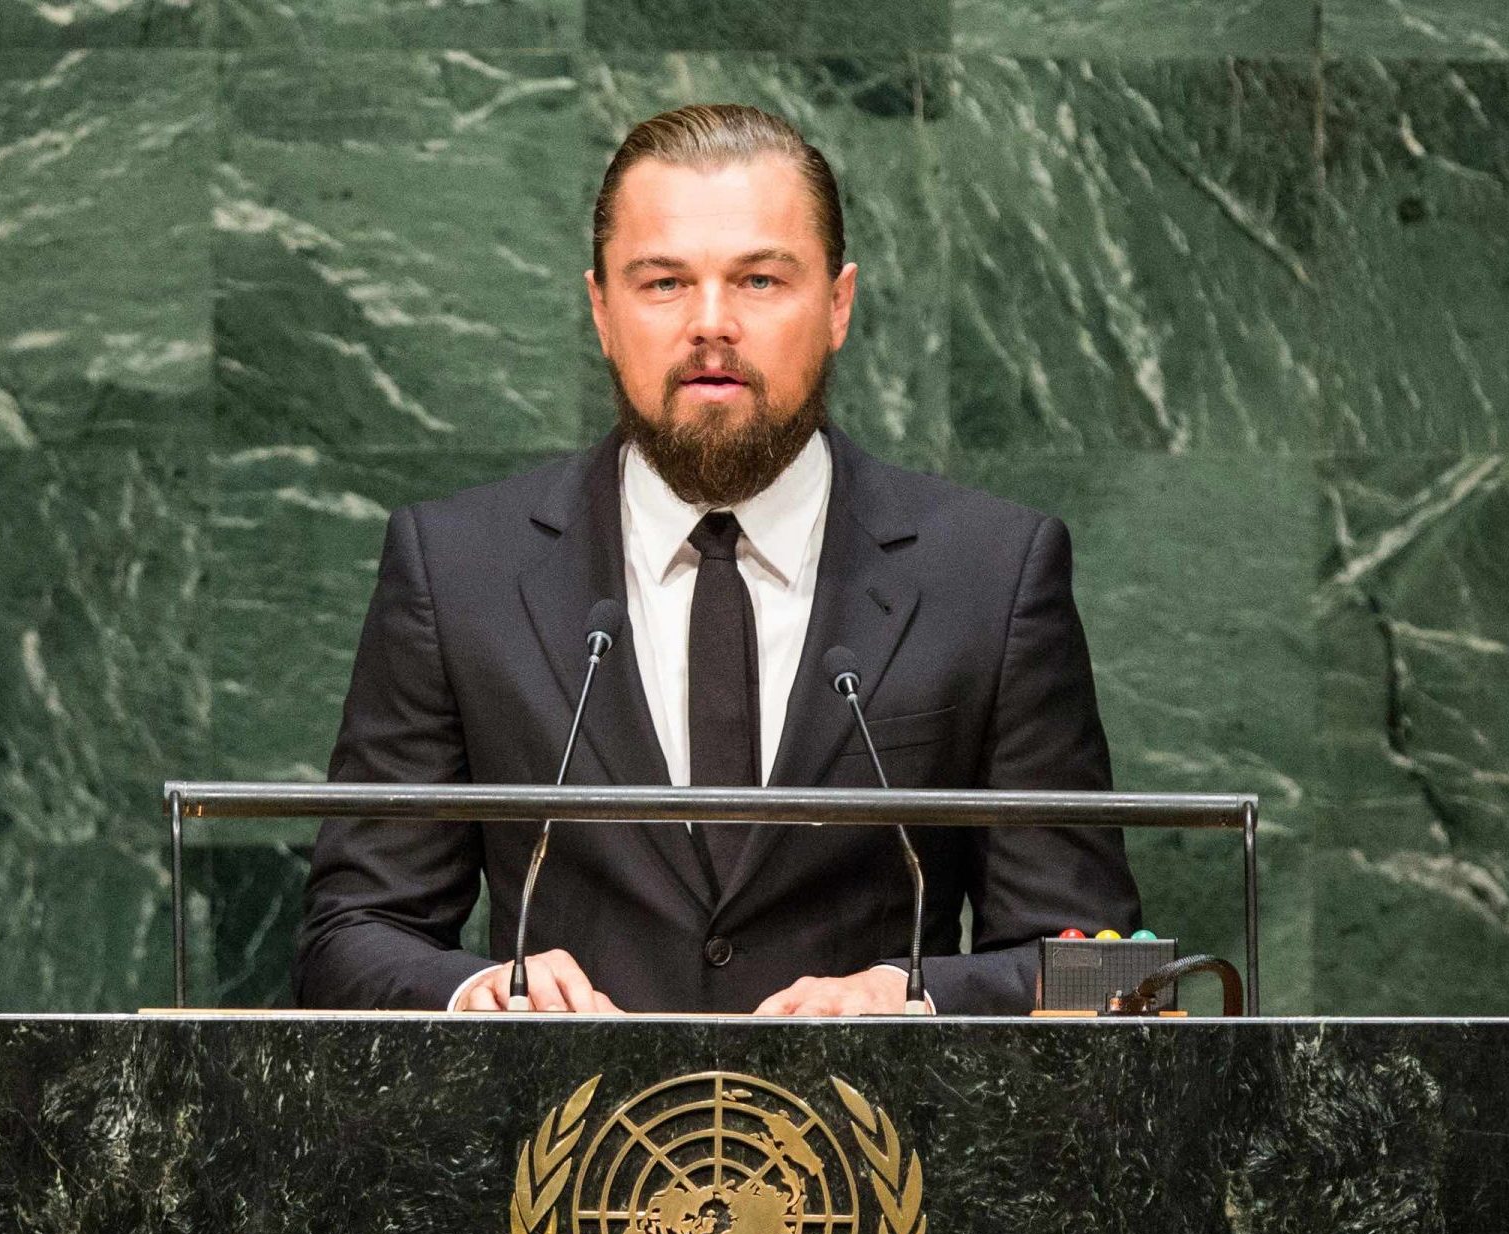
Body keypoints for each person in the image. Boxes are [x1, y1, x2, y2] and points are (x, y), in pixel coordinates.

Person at [294, 103, 1139, 1016]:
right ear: (601, 311)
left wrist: (917, 999)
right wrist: (478, 992)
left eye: (760, 280)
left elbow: (1101, 970)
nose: (711, 323)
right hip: (568, 1112)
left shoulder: (993, 575)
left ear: (839, 304)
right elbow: (350, 937)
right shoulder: (460, 570)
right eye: (663, 282)